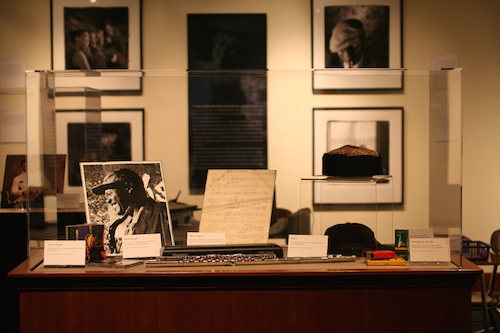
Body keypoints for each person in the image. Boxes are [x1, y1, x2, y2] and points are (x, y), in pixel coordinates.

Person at [92, 169, 169, 254]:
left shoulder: (162, 213)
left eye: (109, 194)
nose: (108, 201)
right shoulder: (128, 221)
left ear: (129, 188)